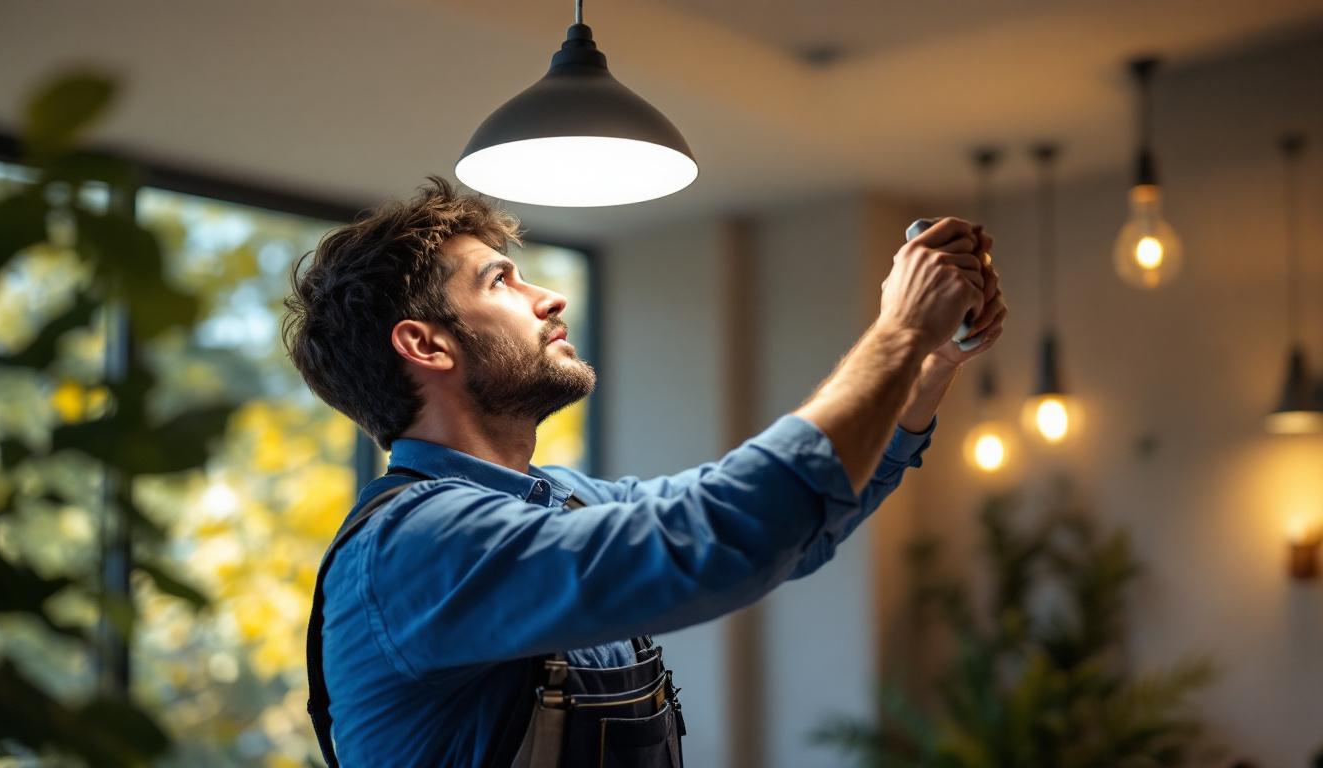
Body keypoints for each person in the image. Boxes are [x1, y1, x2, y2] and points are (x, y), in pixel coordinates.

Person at [282, 177, 1006, 767]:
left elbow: (793, 527)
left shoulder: (562, 500)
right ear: (426, 345)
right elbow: (731, 530)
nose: (550, 298)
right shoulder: (418, 545)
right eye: (500, 281)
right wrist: (899, 332)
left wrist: (926, 365)